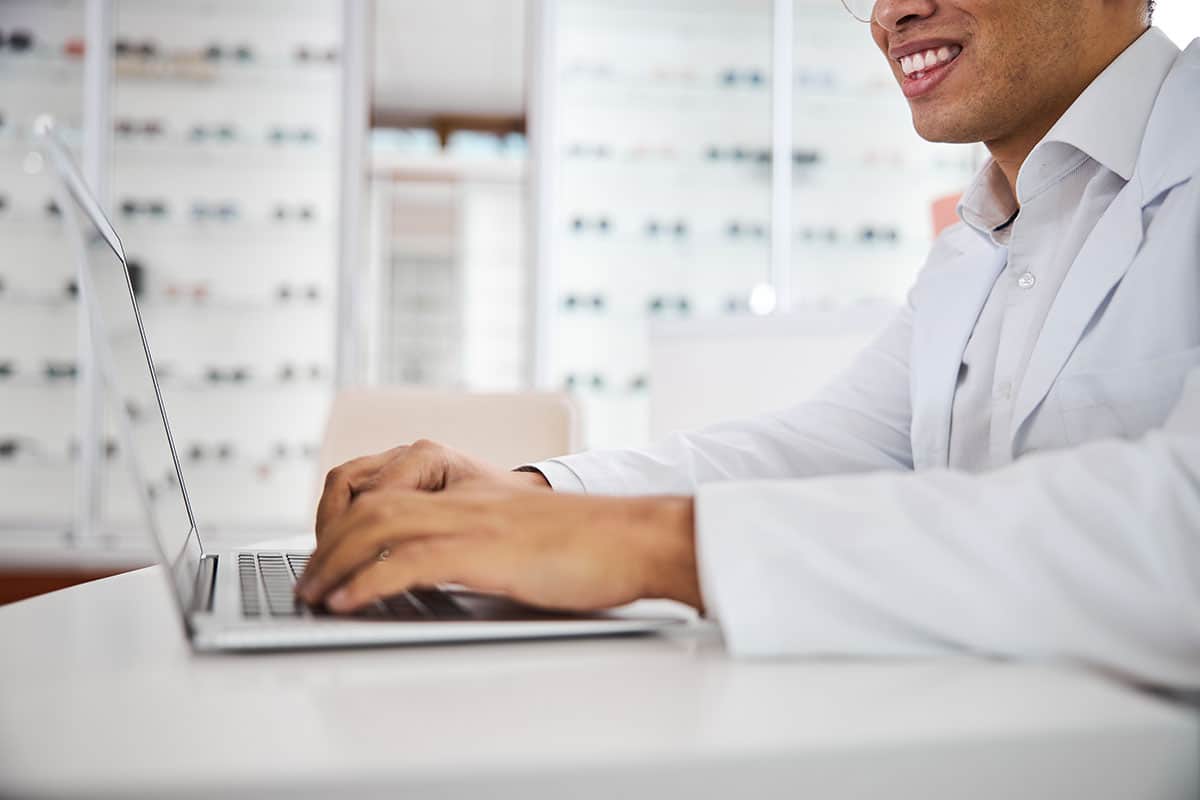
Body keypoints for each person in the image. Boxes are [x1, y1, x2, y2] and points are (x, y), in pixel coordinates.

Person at [297, 0, 1200, 689]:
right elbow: (824, 448)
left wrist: (662, 548)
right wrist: (534, 496)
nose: (891, 13)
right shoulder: (977, 244)